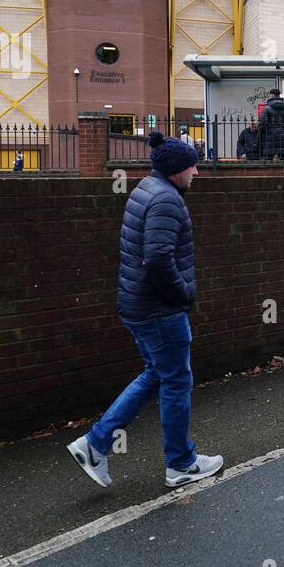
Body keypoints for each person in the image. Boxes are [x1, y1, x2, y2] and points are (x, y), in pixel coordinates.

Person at [66, 132, 224, 488]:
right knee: (177, 380)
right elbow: (157, 259)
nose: (196, 172)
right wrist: (182, 294)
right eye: (191, 166)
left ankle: (95, 444)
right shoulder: (167, 200)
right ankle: (181, 463)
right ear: (175, 170)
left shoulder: (146, 189)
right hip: (159, 310)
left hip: (139, 305)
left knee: (158, 373)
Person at [259, 89, 284, 161]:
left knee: (267, 161)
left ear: (271, 95)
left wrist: (262, 134)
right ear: (279, 95)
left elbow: (263, 123)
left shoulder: (266, 108)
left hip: (270, 138)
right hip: (282, 137)